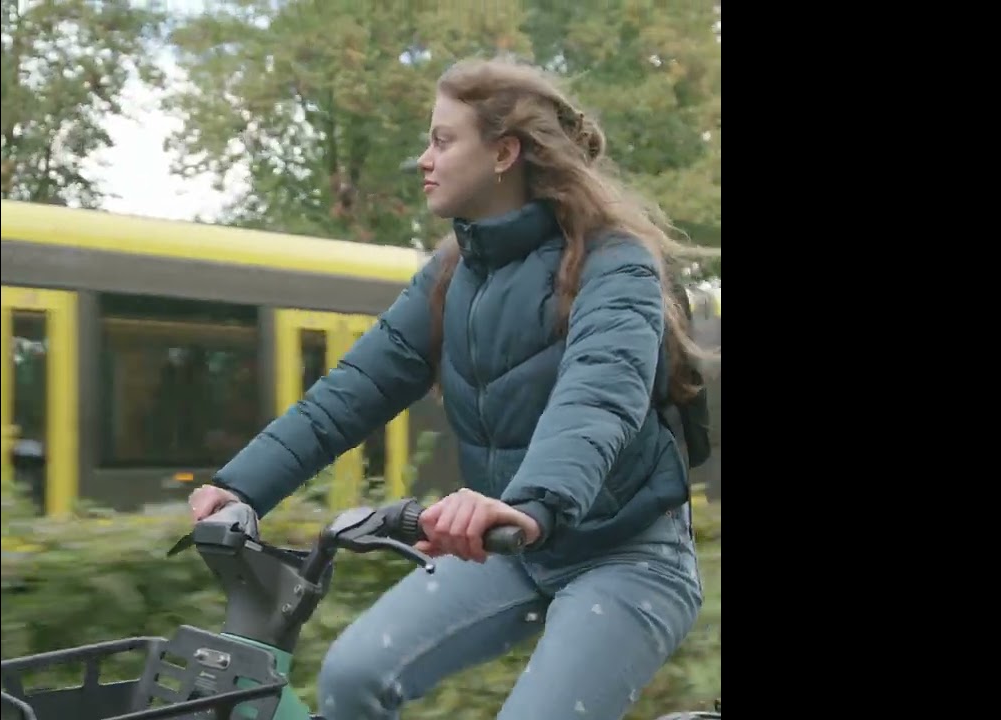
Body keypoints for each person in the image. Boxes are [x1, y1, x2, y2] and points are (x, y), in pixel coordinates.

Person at [188, 55, 715, 720]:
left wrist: (529, 504)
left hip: (628, 554)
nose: (423, 159)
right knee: (351, 678)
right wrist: (242, 487)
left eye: (442, 140)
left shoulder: (616, 263)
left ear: (503, 153)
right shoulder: (452, 273)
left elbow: (598, 397)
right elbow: (353, 389)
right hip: (514, 547)